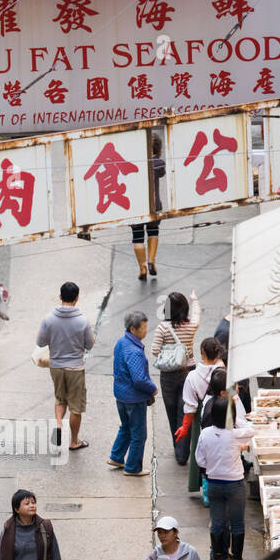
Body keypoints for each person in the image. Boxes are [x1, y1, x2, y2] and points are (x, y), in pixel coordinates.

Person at [196, 397, 255, 560]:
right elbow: (252, 431)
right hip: (235, 485)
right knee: (237, 523)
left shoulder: (205, 433)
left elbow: (200, 460)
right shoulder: (235, 434)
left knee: (217, 523)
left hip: (214, 484)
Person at [36, 281, 95, 451]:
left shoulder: (49, 319)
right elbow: (89, 345)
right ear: (77, 298)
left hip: (56, 366)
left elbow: (40, 342)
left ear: (60, 296)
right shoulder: (82, 321)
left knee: (60, 399)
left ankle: (59, 425)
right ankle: (74, 440)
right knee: (76, 406)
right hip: (75, 368)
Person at [152, 290, 201, 463]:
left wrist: (170, 353)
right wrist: (194, 299)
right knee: (186, 410)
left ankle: (178, 448)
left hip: (169, 376)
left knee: (172, 412)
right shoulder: (191, 326)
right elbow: (196, 314)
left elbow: (154, 351)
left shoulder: (162, 328)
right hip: (189, 372)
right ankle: (183, 454)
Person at [108, 311, 157, 477]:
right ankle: (133, 467)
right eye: (143, 328)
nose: (145, 331)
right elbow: (139, 379)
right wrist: (152, 388)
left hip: (121, 394)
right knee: (139, 434)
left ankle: (116, 457)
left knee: (126, 427)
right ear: (133, 329)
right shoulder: (134, 351)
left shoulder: (121, 343)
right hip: (134, 398)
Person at [177, 337, 226, 494]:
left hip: (203, 421)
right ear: (218, 352)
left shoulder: (192, 377)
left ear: (202, 353)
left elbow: (190, 407)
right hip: (225, 417)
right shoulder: (224, 371)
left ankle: (207, 492)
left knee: (204, 457)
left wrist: (185, 428)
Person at [130, 135, 164, 281]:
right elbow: (162, 172)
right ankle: (151, 260)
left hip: (136, 207)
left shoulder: (133, 163)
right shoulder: (158, 163)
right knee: (153, 231)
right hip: (154, 205)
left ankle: (142, 267)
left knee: (137, 237)